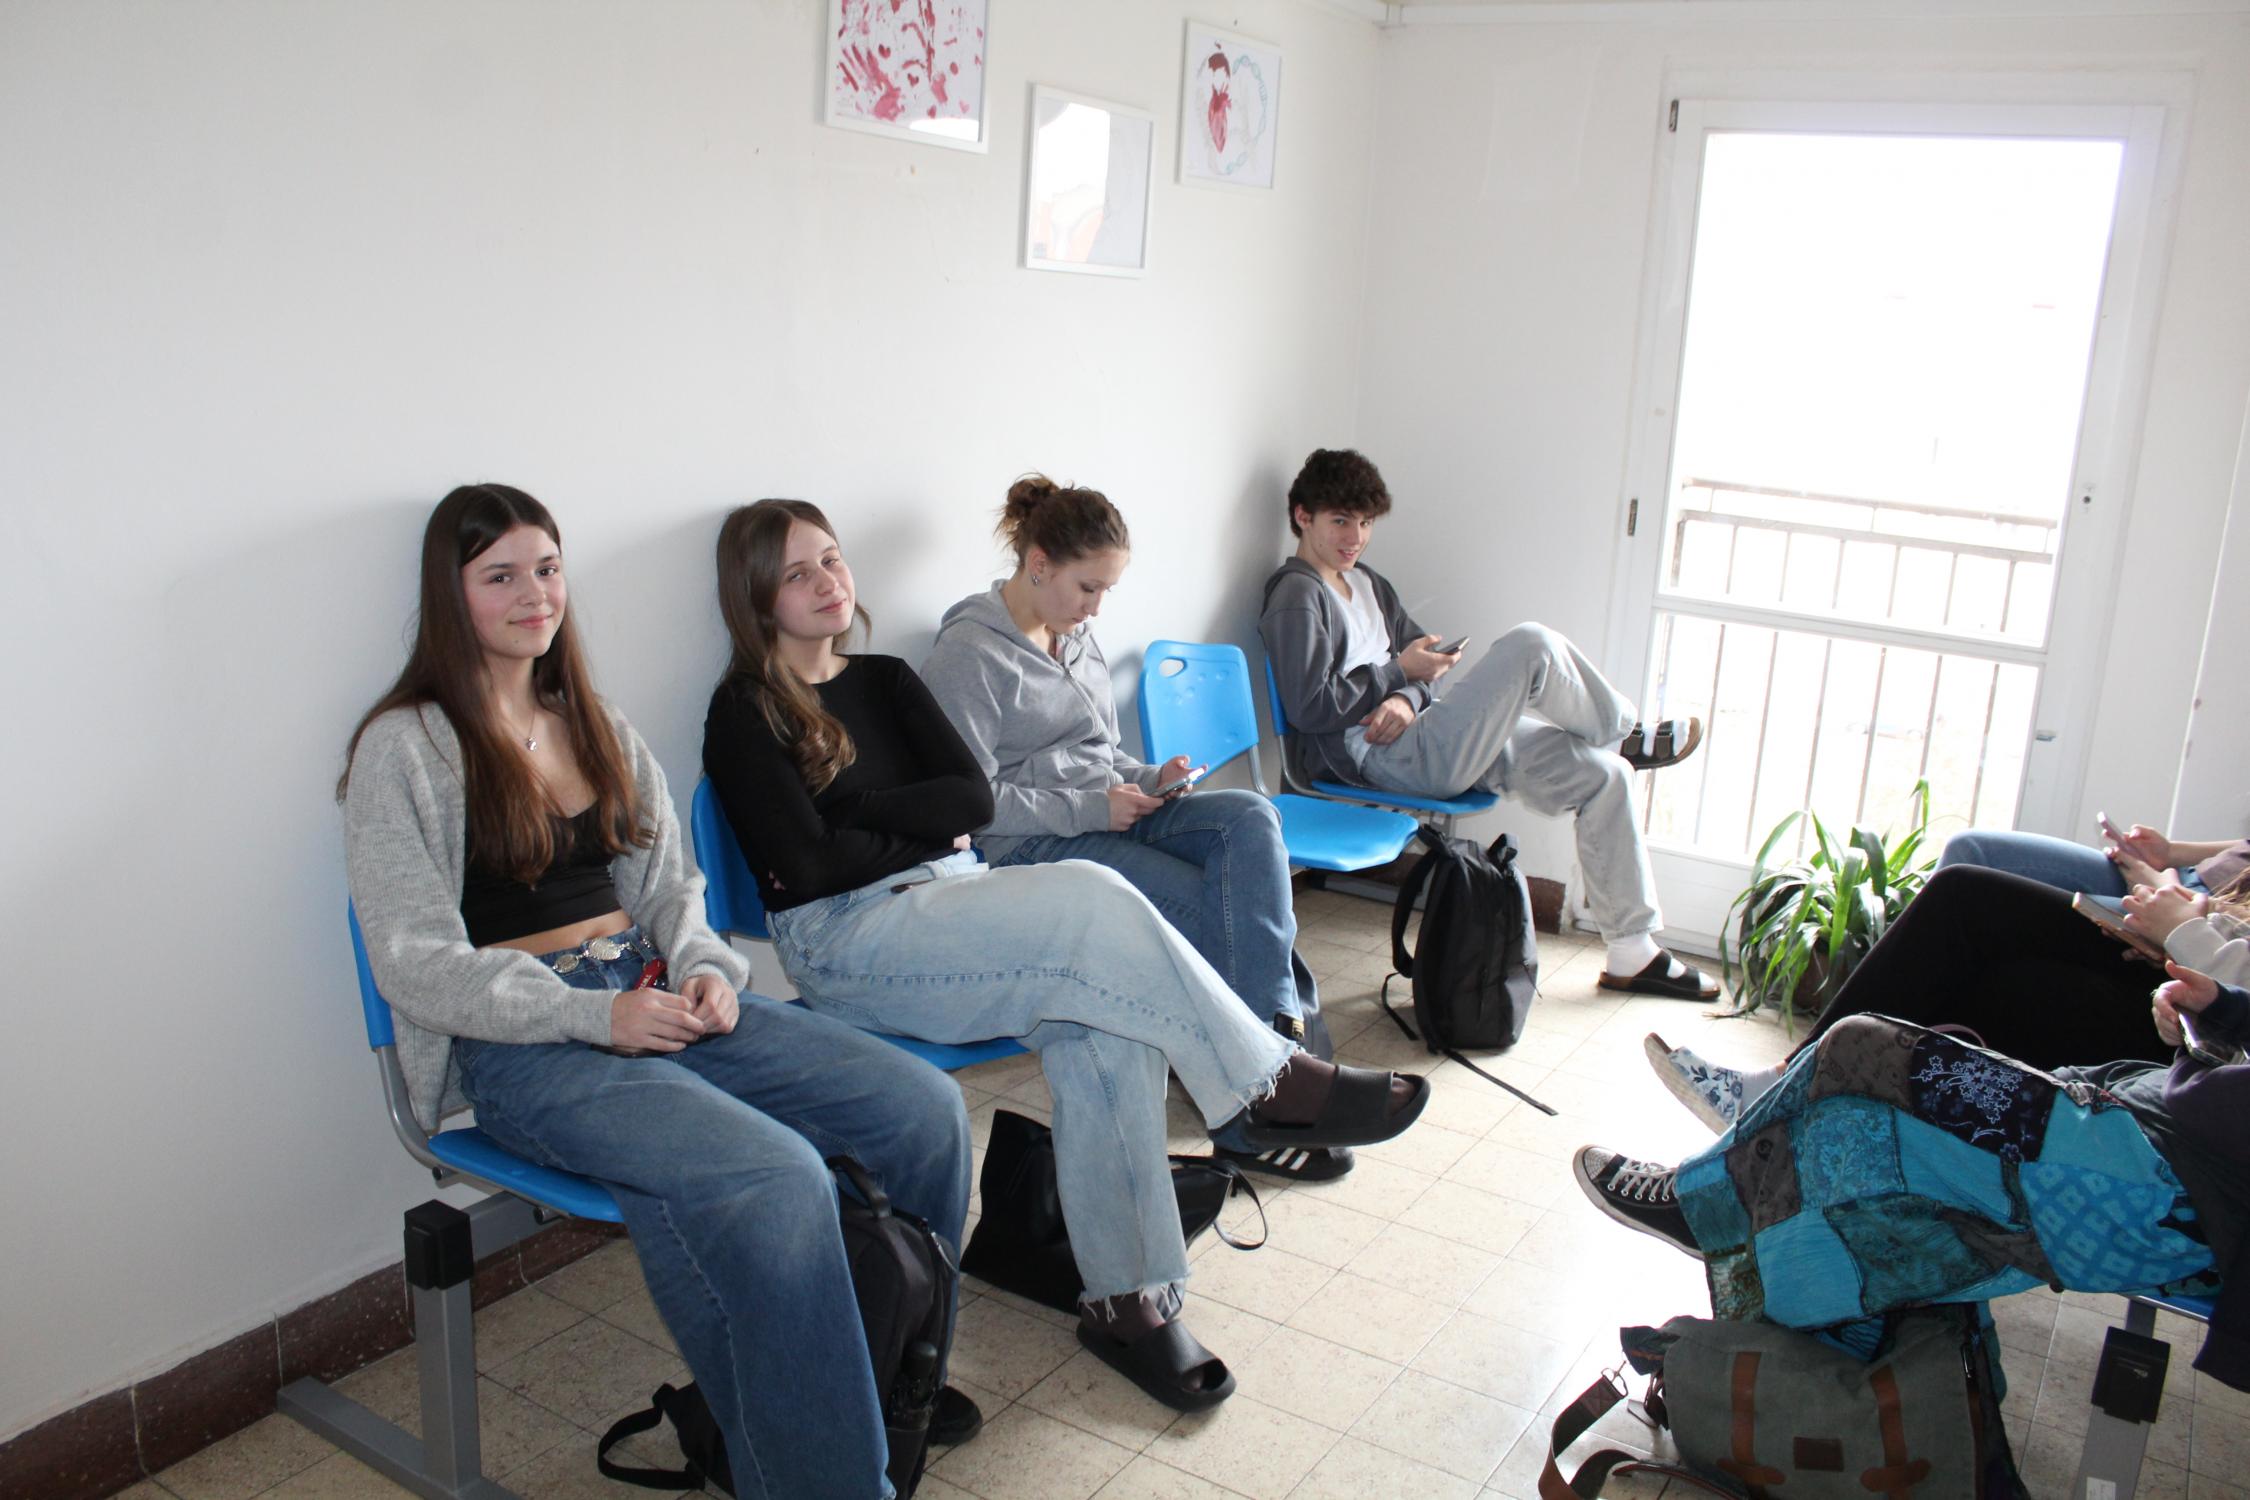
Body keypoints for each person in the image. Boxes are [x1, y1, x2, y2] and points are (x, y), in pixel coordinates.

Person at [701, 498, 1431, 1412]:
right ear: (755, 596)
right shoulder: (745, 710)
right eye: (796, 572)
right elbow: (807, 868)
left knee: (1108, 1024)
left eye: (832, 559)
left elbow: (968, 801)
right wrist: (908, 822)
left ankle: (1131, 1302)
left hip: (951, 895)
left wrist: (856, 811)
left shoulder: (884, 678)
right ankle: (1266, 1080)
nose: (827, 582)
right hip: (848, 937)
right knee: (1092, 893)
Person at [340, 483, 976, 1500]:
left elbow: (671, 889)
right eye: (500, 577)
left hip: (653, 996)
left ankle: (887, 1395)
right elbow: (414, 963)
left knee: (923, 1109)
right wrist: (595, 1016)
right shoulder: (403, 747)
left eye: (547, 569)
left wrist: (705, 969)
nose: (534, 595)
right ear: (450, 596)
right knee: (777, 1179)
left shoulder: (593, 722)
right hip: (529, 1046)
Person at [921, 475, 1347, 1183]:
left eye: (1106, 591)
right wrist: (1096, 809)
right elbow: (971, 806)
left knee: (1252, 817)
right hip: (1031, 847)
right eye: (1088, 588)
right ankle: (1263, 1099)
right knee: (1225, 910)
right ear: (1038, 565)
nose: (1095, 608)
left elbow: (1103, 754)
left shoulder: (1076, 637)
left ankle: (1270, 1069)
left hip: (1109, 815)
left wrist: (1152, 777)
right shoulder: (969, 654)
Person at [1574, 967, 2250, 1393]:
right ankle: (1744, 1207)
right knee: (1869, 1116)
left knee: (1865, 1050)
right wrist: (2223, 1010)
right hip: (2138, 1128)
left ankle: (1705, 1202)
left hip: (2159, 1186)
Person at [1260, 447, 1715, 999]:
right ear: (1303, 516)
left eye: (1366, 522)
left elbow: (1428, 663)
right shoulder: (1297, 595)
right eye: (1340, 521)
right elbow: (1309, 706)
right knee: (1531, 645)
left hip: (1422, 731)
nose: (1355, 537)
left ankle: (1632, 952)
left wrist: (1406, 694)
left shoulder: (1369, 584)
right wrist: (1399, 674)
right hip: (1376, 756)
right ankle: (1624, 732)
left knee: (1605, 775)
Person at [1643, 861, 2250, 1133]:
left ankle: (1785, 1097)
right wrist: (2188, 912)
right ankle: (1793, 1103)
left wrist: (2187, 932)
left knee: (1977, 930)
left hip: (2209, 1032)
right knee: (1968, 923)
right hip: (2196, 956)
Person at [1940, 811, 2250, 898]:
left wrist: (2167, 890)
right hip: (2177, 880)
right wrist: (2169, 853)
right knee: (1971, 849)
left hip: (2189, 915)